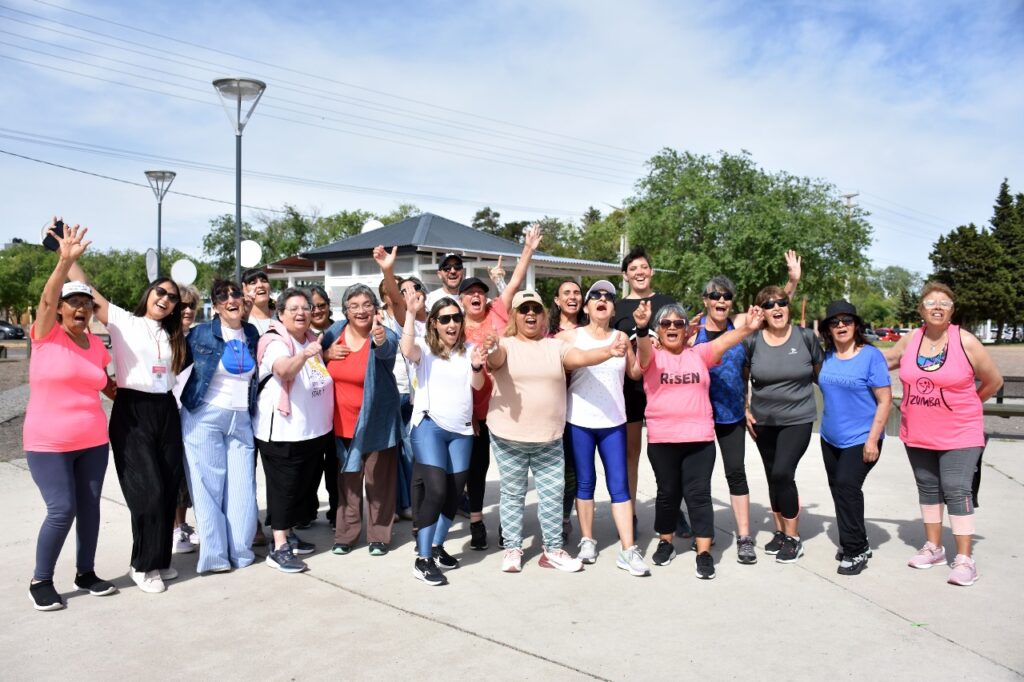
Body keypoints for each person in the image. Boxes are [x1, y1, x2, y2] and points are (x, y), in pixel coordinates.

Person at [69, 250, 188, 594]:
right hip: (132, 411)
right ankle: (142, 565)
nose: (165, 299)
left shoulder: (172, 335)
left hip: (165, 410)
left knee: (167, 488)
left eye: (172, 297)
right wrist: (66, 255)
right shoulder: (123, 320)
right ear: (148, 294)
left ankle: (159, 560)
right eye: (160, 292)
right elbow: (86, 287)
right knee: (146, 491)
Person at [485, 290, 627, 574]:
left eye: (535, 310)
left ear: (542, 316)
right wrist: (491, 348)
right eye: (523, 309)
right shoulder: (505, 344)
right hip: (509, 436)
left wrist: (608, 352)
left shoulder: (555, 347)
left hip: (549, 437)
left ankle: (552, 550)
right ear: (514, 315)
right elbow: (495, 359)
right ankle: (513, 548)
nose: (530, 315)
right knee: (513, 494)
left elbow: (581, 357)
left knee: (552, 495)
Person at [883, 282, 1003, 586]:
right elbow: (884, 362)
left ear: (952, 310)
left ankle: (965, 559)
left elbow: (993, 381)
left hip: (961, 432)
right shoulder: (912, 339)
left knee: (956, 488)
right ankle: (933, 548)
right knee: (928, 487)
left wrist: (968, 405)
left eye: (945, 303)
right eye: (931, 302)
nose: (937, 307)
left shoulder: (966, 341)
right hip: (919, 430)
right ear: (921, 309)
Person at [635, 300, 764, 580]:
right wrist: (642, 327)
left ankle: (704, 553)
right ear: (658, 329)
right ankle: (666, 541)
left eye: (678, 324)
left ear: (686, 330)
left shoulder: (699, 354)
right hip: (662, 440)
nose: (672, 328)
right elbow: (643, 348)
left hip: (699, 439)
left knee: (699, 495)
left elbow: (725, 340)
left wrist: (748, 328)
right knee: (667, 494)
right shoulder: (652, 356)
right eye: (666, 324)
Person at [24, 221, 117, 610]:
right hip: (48, 444)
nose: (81, 308)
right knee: (63, 509)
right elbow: (45, 300)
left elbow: (109, 387)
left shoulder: (96, 345)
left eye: (85, 303)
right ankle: (40, 579)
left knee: (91, 508)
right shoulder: (46, 335)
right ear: (60, 310)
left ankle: (86, 572)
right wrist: (64, 262)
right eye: (72, 303)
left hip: (94, 441)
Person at [688, 251, 801, 563]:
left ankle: (745, 537)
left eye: (726, 296)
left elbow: (774, 308)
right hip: (695, 416)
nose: (721, 301)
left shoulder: (740, 324)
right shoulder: (692, 330)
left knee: (735, 473)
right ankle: (698, 533)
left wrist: (791, 282)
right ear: (706, 299)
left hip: (731, 414)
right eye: (715, 296)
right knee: (696, 479)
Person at [557, 280, 649, 576]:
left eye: (608, 297)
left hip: (613, 422)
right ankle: (587, 540)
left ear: (612, 308)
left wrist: (643, 336)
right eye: (594, 296)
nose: (601, 299)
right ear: (586, 307)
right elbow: (561, 366)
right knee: (585, 483)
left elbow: (636, 371)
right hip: (580, 421)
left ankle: (628, 550)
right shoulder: (570, 336)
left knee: (619, 486)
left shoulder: (622, 336)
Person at [401, 295, 488, 585]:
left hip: (461, 431)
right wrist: (411, 314)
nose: (452, 323)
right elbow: (406, 348)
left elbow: (476, 386)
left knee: (453, 492)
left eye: (456, 318)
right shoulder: (424, 349)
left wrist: (477, 367)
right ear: (435, 324)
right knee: (436, 491)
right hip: (429, 426)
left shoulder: (470, 350)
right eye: (445, 319)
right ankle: (422, 558)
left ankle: (436, 546)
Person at [178, 279, 261, 574]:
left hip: (241, 420)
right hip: (205, 417)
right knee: (208, 490)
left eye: (235, 293)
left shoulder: (250, 332)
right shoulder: (200, 333)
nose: (230, 299)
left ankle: (240, 551)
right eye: (222, 296)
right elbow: (175, 363)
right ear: (215, 306)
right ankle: (214, 557)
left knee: (242, 490)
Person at [254, 289, 334, 574]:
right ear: (281, 313)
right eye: (294, 309)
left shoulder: (311, 339)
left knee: (301, 488)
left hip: (311, 430)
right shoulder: (275, 341)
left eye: (305, 308)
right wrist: (306, 355)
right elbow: (284, 371)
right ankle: (279, 547)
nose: (301, 313)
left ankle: (287, 533)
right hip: (283, 432)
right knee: (283, 488)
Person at [743, 286, 824, 564]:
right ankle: (780, 531)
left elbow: (823, 377)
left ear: (788, 307)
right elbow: (742, 379)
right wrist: (744, 409)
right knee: (772, 476)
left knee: (782, 473)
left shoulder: (806, 338)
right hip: (763, 421)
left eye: (781, 303)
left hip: (798, 418)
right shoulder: (752, 341)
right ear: (761, 312)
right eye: (769, 305)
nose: (776, 308)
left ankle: (793, 537)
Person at [322, 284, 402, 555]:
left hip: (378, 423)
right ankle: (346, 535)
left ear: (375, 308)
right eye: (354, 305)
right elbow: (315, 360)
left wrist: (379, 339)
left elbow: (387, 350)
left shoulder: (384, 333)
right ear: (345, 310)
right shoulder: (334, 333)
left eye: (366, 304)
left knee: (379, 481)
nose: (361, 310)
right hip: (343, 424)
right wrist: (325, 354)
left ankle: (379, 535)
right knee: (348, 484)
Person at [818, 300, 892, 576]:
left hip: (862, 438)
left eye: (846, 321)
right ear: (828, 329)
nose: (841, 326)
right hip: (830, 438)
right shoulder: (827, 357)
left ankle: (856, 548)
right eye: (834, 322)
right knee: (839, 490)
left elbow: (885, 401)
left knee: (848, 487)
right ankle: (852, 538)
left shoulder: (870, 356)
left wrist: (873, 440)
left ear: (856, 325)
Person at [610, 247, 676, 521]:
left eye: (643, 267)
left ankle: (673, 510)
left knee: (669, 453)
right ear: (625, 275)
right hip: (631, 389)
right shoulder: (617, 308)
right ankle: (631, 513)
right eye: (633, 268)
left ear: (651, 271)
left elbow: (679, 338)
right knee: (631, 453)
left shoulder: (666, 301)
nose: (639, 272)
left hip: (664, 386)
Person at [548, 279, 587, 542]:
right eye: (567, 293)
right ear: (557, 300)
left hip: (581, 410)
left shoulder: (590, 330)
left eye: (577, 292)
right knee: (552, 470)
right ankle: (550, 518)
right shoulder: (545, 331)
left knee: (573, 469)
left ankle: (563, 519)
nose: (572, 297)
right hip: (551, 408)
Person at [377, 276, 415, 524]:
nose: (396, 295)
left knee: (410, 450)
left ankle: (410, 501)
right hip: (389, 391)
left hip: (411, 392)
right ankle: (397, 503)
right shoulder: (377, 320)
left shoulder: (410, 318)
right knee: (391, 451)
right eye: (390, 291)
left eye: (400, 291)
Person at [172, 283, 201, 554]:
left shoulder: (197, 338)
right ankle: (174, 529)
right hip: (166, 414)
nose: (188, 310)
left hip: (192, 413)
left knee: (185, 474)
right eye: (182, 305)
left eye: (192, 305)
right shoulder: (162, 338)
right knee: (170, 473)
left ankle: (182, 525)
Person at [242, 268, 274, 335]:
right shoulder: (241, 320)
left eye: (264, 281)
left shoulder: (282, 315)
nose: (260, 285)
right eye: (253, 283)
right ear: (244, 288)